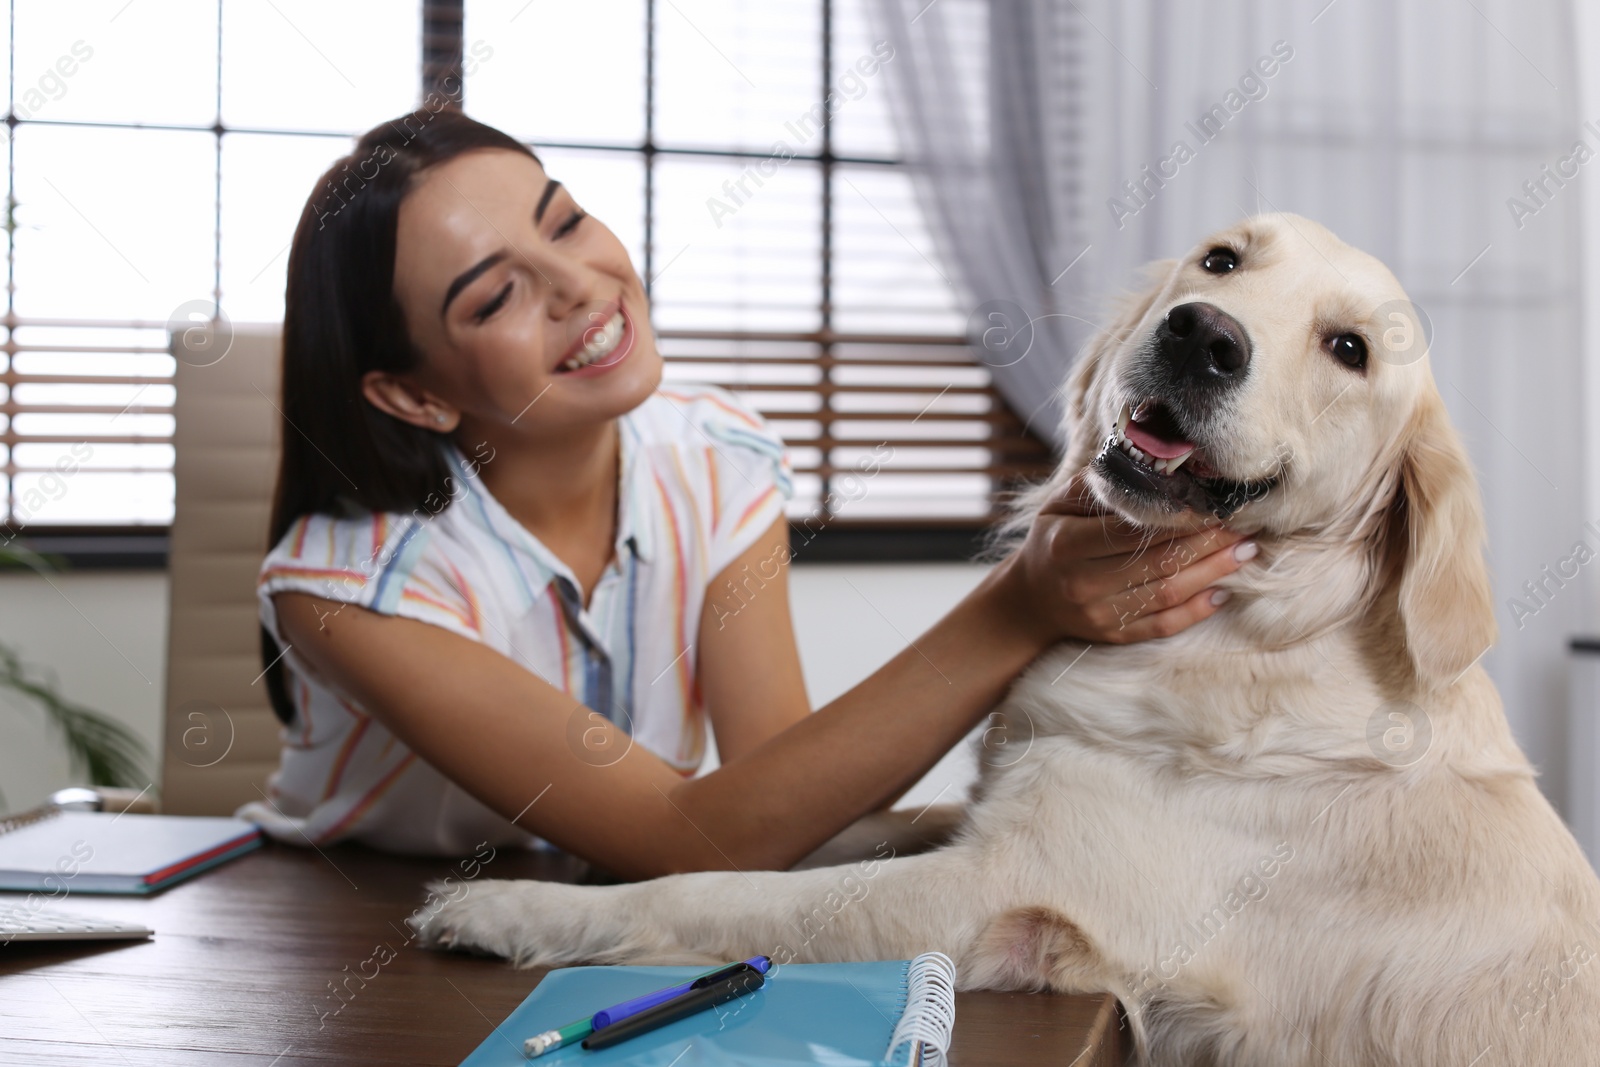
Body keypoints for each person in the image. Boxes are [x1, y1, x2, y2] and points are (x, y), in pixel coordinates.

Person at [240, 107, 1255, 879]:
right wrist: (1017, 605)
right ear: (412, 392)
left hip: (593, 910)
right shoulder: (344, 587)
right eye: (498, 293)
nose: (579, 284)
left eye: (565, 222)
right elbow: (694, 839)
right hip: (353, 920)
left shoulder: (713, 454)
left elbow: (779, 802)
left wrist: (1042, 826)